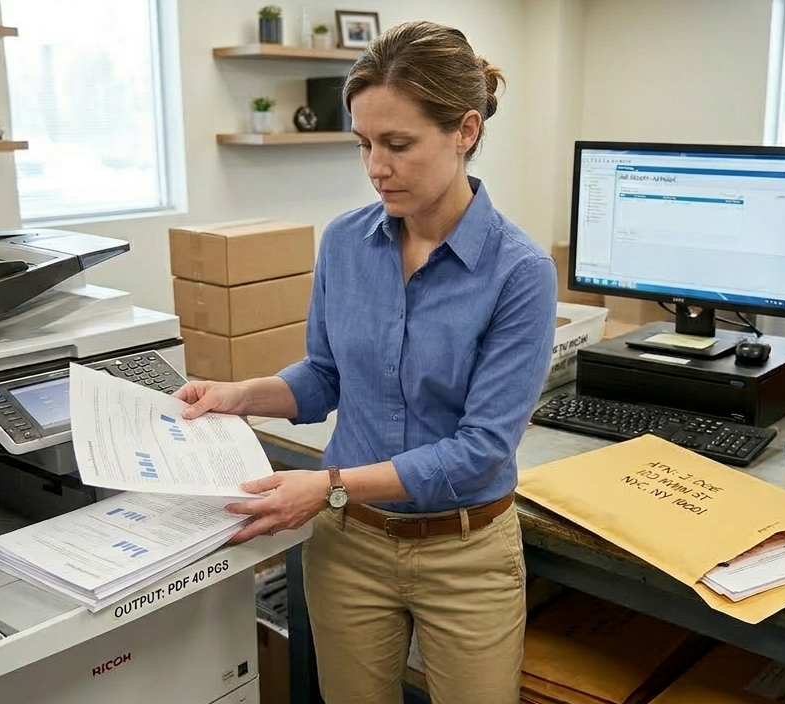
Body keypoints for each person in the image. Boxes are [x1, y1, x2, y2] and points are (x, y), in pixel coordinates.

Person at [174, 19, 558, 704]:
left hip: (465, 552)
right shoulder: (346, 243)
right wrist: (239, 395)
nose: (376, 166)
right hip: (349, 544)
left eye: (397, 144)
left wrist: (327, 486)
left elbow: (480, 449)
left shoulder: (519, 272)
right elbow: (325, 376)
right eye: (363, 143)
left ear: (465, 131)